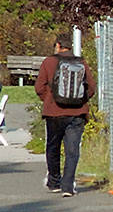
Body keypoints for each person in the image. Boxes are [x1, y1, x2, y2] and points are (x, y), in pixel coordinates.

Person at [34, 34, 96, 198]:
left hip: (54, 113)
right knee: (72, 150)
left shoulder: (49, 62)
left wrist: (49, 99)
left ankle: (54, 181)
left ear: (59, 45)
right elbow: (91, 88)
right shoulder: (81, 62)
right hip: (77, 113)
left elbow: (39, 87)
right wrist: (79, 101)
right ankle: (68, 186)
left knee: (53, 147)